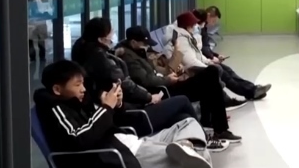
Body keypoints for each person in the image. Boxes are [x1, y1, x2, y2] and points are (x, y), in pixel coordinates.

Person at [33, 60, 217, 168]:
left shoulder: (77, 102)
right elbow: (81, 138)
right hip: (121, 156)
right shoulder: (55, 109)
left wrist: (116, 104)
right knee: (200, 158)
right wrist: (106, 107)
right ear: (57, 89)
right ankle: (186, 148)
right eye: (77, 85)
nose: (83, 89)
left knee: (187, 122)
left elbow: (105, 122)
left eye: (82, 83)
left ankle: (185, 145)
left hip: (129, 142)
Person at [71, 18, 216, 147]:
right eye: (110, 33)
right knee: (184, 100)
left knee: (184, 117)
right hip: (134, 114)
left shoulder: (94, 56)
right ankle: (204, 139)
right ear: (101, 39)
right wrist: (149, 97)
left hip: (131, 108)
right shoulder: (103, 60)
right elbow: (127, 85)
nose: (113, 36)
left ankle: (197, 143)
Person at [117, 25, 242, 142]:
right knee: (210, 76)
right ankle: (219, 128)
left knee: (211, 75)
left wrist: (169, 75)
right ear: (133, 42)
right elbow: (146, 80)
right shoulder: (129, 59)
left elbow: (155, 72)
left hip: (166, 84)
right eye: (144, 44)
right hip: (164, 91)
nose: (147, 46)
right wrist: (168, 79)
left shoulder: (138, 53)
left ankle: (213, 124)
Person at [192, 9, 271, 102]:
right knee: (225, 75)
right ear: (208, 16)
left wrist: (216, 56)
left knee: (229, 71)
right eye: (213, 21)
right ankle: (251, 92)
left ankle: (252, 89)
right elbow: (201, 49)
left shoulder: (201, 29)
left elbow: (204, 48)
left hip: (205, 58)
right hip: (202, 61)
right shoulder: (197, 31)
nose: (213, 24)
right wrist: (212, 58)